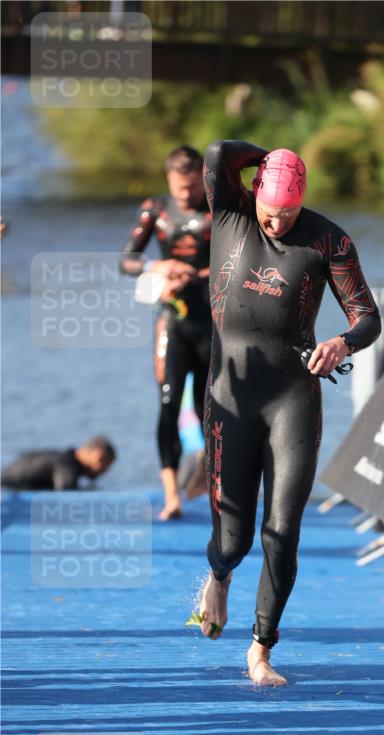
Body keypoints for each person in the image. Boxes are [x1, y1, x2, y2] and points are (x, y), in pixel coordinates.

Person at [198, 140, 381, 686]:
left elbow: (367, 316)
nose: (276, 226)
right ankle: (220, 574)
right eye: (270, 214)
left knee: (283, 531)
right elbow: (217, 153)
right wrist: (273, 156)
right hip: (229, 393)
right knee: (234, 542)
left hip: (292, 397)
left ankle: (260, 649)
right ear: (255, 193)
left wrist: (343, 344)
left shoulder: (329, 239)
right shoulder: (230, 211)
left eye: (288, 216)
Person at [120, 145, 212, 521]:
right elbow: (126, 260)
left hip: (213, 320)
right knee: (168, 402)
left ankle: (211, 480)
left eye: (191, 187)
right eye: (179, 189)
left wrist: (194, 274)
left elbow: (238, 260)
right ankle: (172, 494)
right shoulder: (155, 209)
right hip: (173, 321)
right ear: (168, 181)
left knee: (213, 407)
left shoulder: (219, 211)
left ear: (202, 177)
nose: (186, 196)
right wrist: (160, 266)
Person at [1, 436, 116, 490]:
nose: (102, 469)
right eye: (100, 460)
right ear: (85, 452)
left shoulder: (60, 459)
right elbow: (65, 494)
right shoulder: (67, 465)